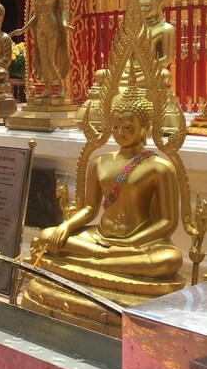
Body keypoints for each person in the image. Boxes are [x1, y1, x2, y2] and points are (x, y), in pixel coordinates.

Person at [22, 83, 184, 333]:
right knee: (46, 237)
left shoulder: (160, 167)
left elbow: (168, 223)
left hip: (138, 241)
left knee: (169, 261)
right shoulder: (100, 161)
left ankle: (103, 261)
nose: (120, 132)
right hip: (99, 237)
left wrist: (131, 242)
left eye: (128, 127)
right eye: (116, 126)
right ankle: (105, 260)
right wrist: (65, 226)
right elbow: (89, 209)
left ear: (145, 129)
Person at [10, 0, 72, 99]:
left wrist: (64, 23)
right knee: (43, 59)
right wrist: (23, 29)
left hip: (53, 26)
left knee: (52, 57)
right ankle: (48, 88)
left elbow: (63, 10)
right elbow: (36, 15)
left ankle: (62, 86)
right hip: (40, 28)